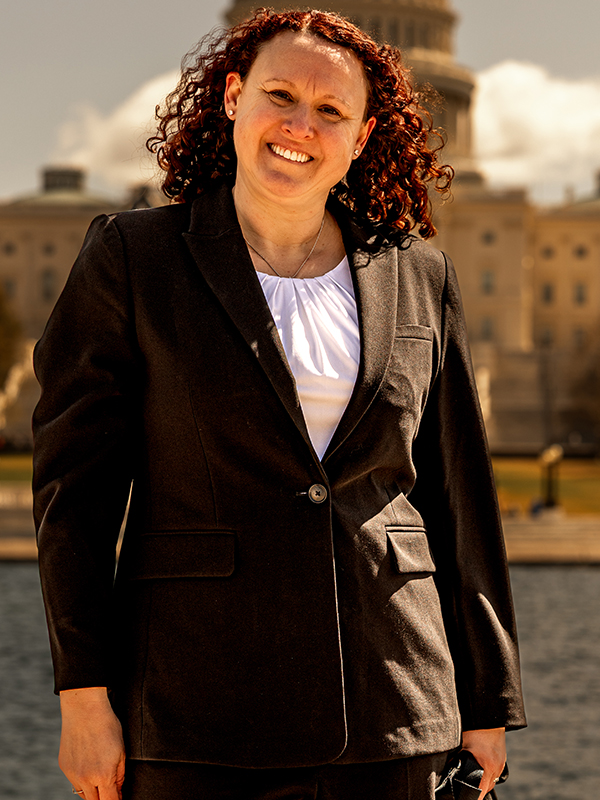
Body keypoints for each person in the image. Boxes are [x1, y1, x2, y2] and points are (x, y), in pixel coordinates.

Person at [33, 9, 526, 800]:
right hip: (198, 712)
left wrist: (490, 699)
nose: (301, 125)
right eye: (280, 95)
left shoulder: (418, 274)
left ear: (361, 138)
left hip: (398, 702)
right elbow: (75, 501)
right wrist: (83, 697)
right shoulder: (133, 258)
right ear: (233, 97)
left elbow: (459, 496)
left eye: (331, 110)